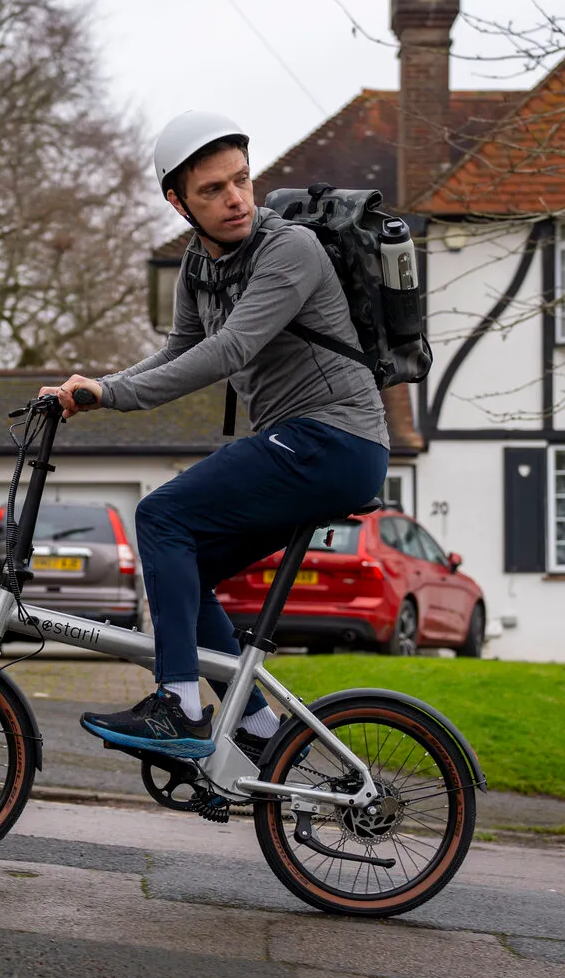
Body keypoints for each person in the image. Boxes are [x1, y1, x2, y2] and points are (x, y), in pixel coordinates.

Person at [38, 110, 389, 761]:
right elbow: (179, 349)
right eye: (213, 189)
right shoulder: (199, 267)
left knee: (162, 515)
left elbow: (230, 350)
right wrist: (93, 387)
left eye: (242, 180)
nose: (236, 198)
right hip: (303, 445)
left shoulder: (290, 249)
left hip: (336, 440)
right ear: (179, 202)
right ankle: (257, 728)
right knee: (184, 565)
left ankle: (180, 704)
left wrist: (112, 395)